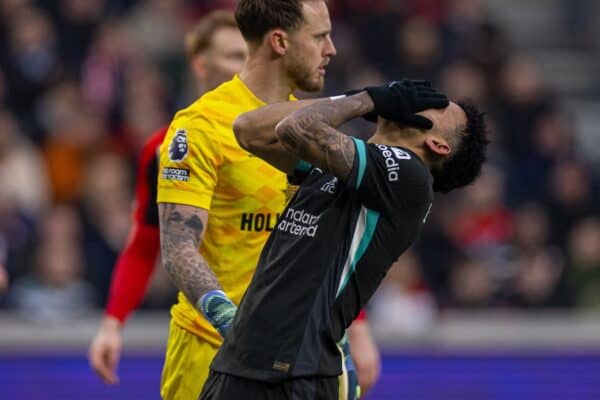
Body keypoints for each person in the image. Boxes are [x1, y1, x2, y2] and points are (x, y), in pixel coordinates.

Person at [198, 79, 489, 398]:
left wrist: (368, 100)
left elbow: (295, 128)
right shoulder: (339, 163)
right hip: (237, 361)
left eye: (442, 107)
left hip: (294, 372)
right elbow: (249, 128)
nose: (427, 99)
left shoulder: (410, 177)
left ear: (438, 145)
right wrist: (355, 98)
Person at [157, 1, 379, 398]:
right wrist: (232, 322)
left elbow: (324, 248)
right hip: (210, 354)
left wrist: (343, 335)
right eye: (319, 37)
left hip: (300, 360)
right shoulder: (201, 125)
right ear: (279, 41)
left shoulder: (314, 132)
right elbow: (178, 246)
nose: (332, 49)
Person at [88, 10, 248, 386]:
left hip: (289, 338)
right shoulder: (166, 148)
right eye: (233, 56)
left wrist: (356, 328)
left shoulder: (290, 142)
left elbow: (321, 238)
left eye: (250, 57)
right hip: (206, 338)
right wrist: (113, 322)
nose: (244, 68)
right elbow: (145, 243)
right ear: (200, 66)